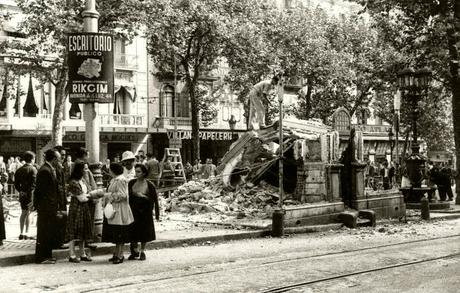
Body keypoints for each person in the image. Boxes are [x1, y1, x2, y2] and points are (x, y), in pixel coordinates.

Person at [102, 163, 134, 264]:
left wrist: (109, 196)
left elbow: (123, 195)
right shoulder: (115, 179)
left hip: (120, 209)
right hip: (116, 208)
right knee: (116, 233)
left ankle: (120, 254)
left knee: (119, 232)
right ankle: (117, 253)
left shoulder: (121, 180)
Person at [34, 149, 61, 264]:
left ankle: (47, 255)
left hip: (49, 207)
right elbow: (43, 192)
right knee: (44, 232)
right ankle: (42, 257)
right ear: (54, 159)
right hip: (46, 207)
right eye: (58, 159)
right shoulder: (45, 170)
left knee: (48, 231)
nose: (59, 161)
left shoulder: (49, 169)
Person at [128, 164, 160, 261]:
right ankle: (134, 250)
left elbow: (154, 199)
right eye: (136, 171)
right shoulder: (131, 183)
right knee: (132, 232)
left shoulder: (149, 185)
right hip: (133, 211)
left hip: (145, 212)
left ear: (144, 173)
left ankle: (142, 251)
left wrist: (143, 197)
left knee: (144, 233)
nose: (136, 174)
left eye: (139, 172)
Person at [65, 161, 94, 263]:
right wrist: (93, 195)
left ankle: (82, 254)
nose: (87, 171)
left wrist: (89, 195)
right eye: (85, 169)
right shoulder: (73, 182)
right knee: (73, 231)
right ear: (79, 170)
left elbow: (87, 192)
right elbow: (81, 198)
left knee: (83, 231)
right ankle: (72, 255)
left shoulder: (83, 180)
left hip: (84, 208)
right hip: (76, 207)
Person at [14, 151, 37, 240]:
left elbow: (16, 184)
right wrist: (28, 191)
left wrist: (21, 191)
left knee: (23, 212)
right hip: (31, 194)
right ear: (32, 159)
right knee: (29, 213)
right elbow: (34, 184)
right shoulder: (33, 169)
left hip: (22, 194)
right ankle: (27, 233)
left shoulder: (19, 170)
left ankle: (21, 232)